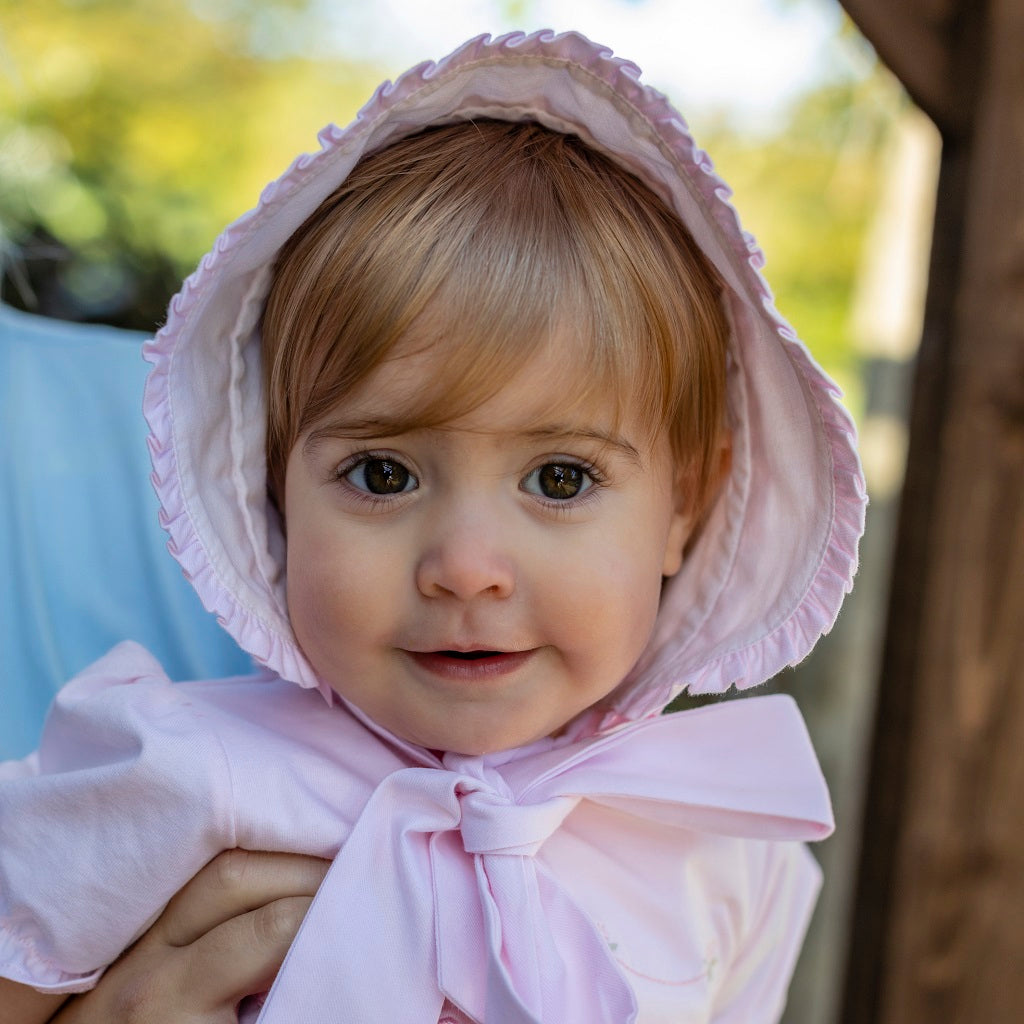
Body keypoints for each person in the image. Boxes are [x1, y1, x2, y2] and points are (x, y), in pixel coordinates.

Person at [0, 29, 865, 1024]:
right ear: (272, 489)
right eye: (382, 472)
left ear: (685, 507)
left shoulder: (727, 847)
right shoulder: (182, 771)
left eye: (559, 476)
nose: (464, 567)